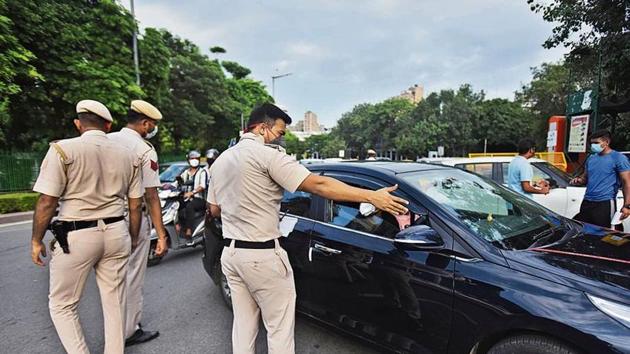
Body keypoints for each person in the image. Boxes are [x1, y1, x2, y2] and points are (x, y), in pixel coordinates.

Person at [206, 103, 408, 354]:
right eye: (280, 133)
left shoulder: (222, 160)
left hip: (232, 254)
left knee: (243, 326)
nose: (281, 139)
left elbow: (213, 209)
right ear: (261, 128)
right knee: (279, 331)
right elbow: (319, 185)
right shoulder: (268, 155)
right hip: (262, 256)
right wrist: (371, 197)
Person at [30, 100, 143, 354]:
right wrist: (133, 238)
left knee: (63, 305)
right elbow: (136, 206)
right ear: (108, 125)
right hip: (116, 231)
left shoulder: (63, 150)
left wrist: (36, 240)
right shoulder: (130, 155)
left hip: (76, 236)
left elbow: (48, 201)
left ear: (78, 124)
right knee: (115, 304)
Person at [108, 100, 168, 346]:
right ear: (145, 123)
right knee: (132, 275)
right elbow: (150, 195)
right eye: (152, 125)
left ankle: (113, 327)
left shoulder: (106, 140)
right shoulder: (143, 150)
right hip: (130, 218)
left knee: (110, 278)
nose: (152, 129)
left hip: (103, 220)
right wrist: (161, 234)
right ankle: (129, 329)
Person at [570, 130, 630, 228]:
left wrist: (627, 206)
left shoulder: (618, 158)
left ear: (606, 142)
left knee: (604, 234)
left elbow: (627, 183)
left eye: (596, 143)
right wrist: (579, 180)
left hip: (604, 203)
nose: (593, 146)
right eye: (592, 143)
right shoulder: (591, 158)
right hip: (587, 202)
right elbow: (585, 178)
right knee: (585, 231)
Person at [179, 150, 208, 238]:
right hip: (187, 198)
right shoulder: (185, 173)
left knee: (189, 206)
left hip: (200, 199)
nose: (194, 160)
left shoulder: (202, 172)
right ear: (188, 160)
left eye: (196, 158)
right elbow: (179, 182)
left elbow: (202, 186)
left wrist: (192, 193)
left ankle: (189, 230)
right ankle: (179, 226)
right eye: (192, 158)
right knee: (176, 205)